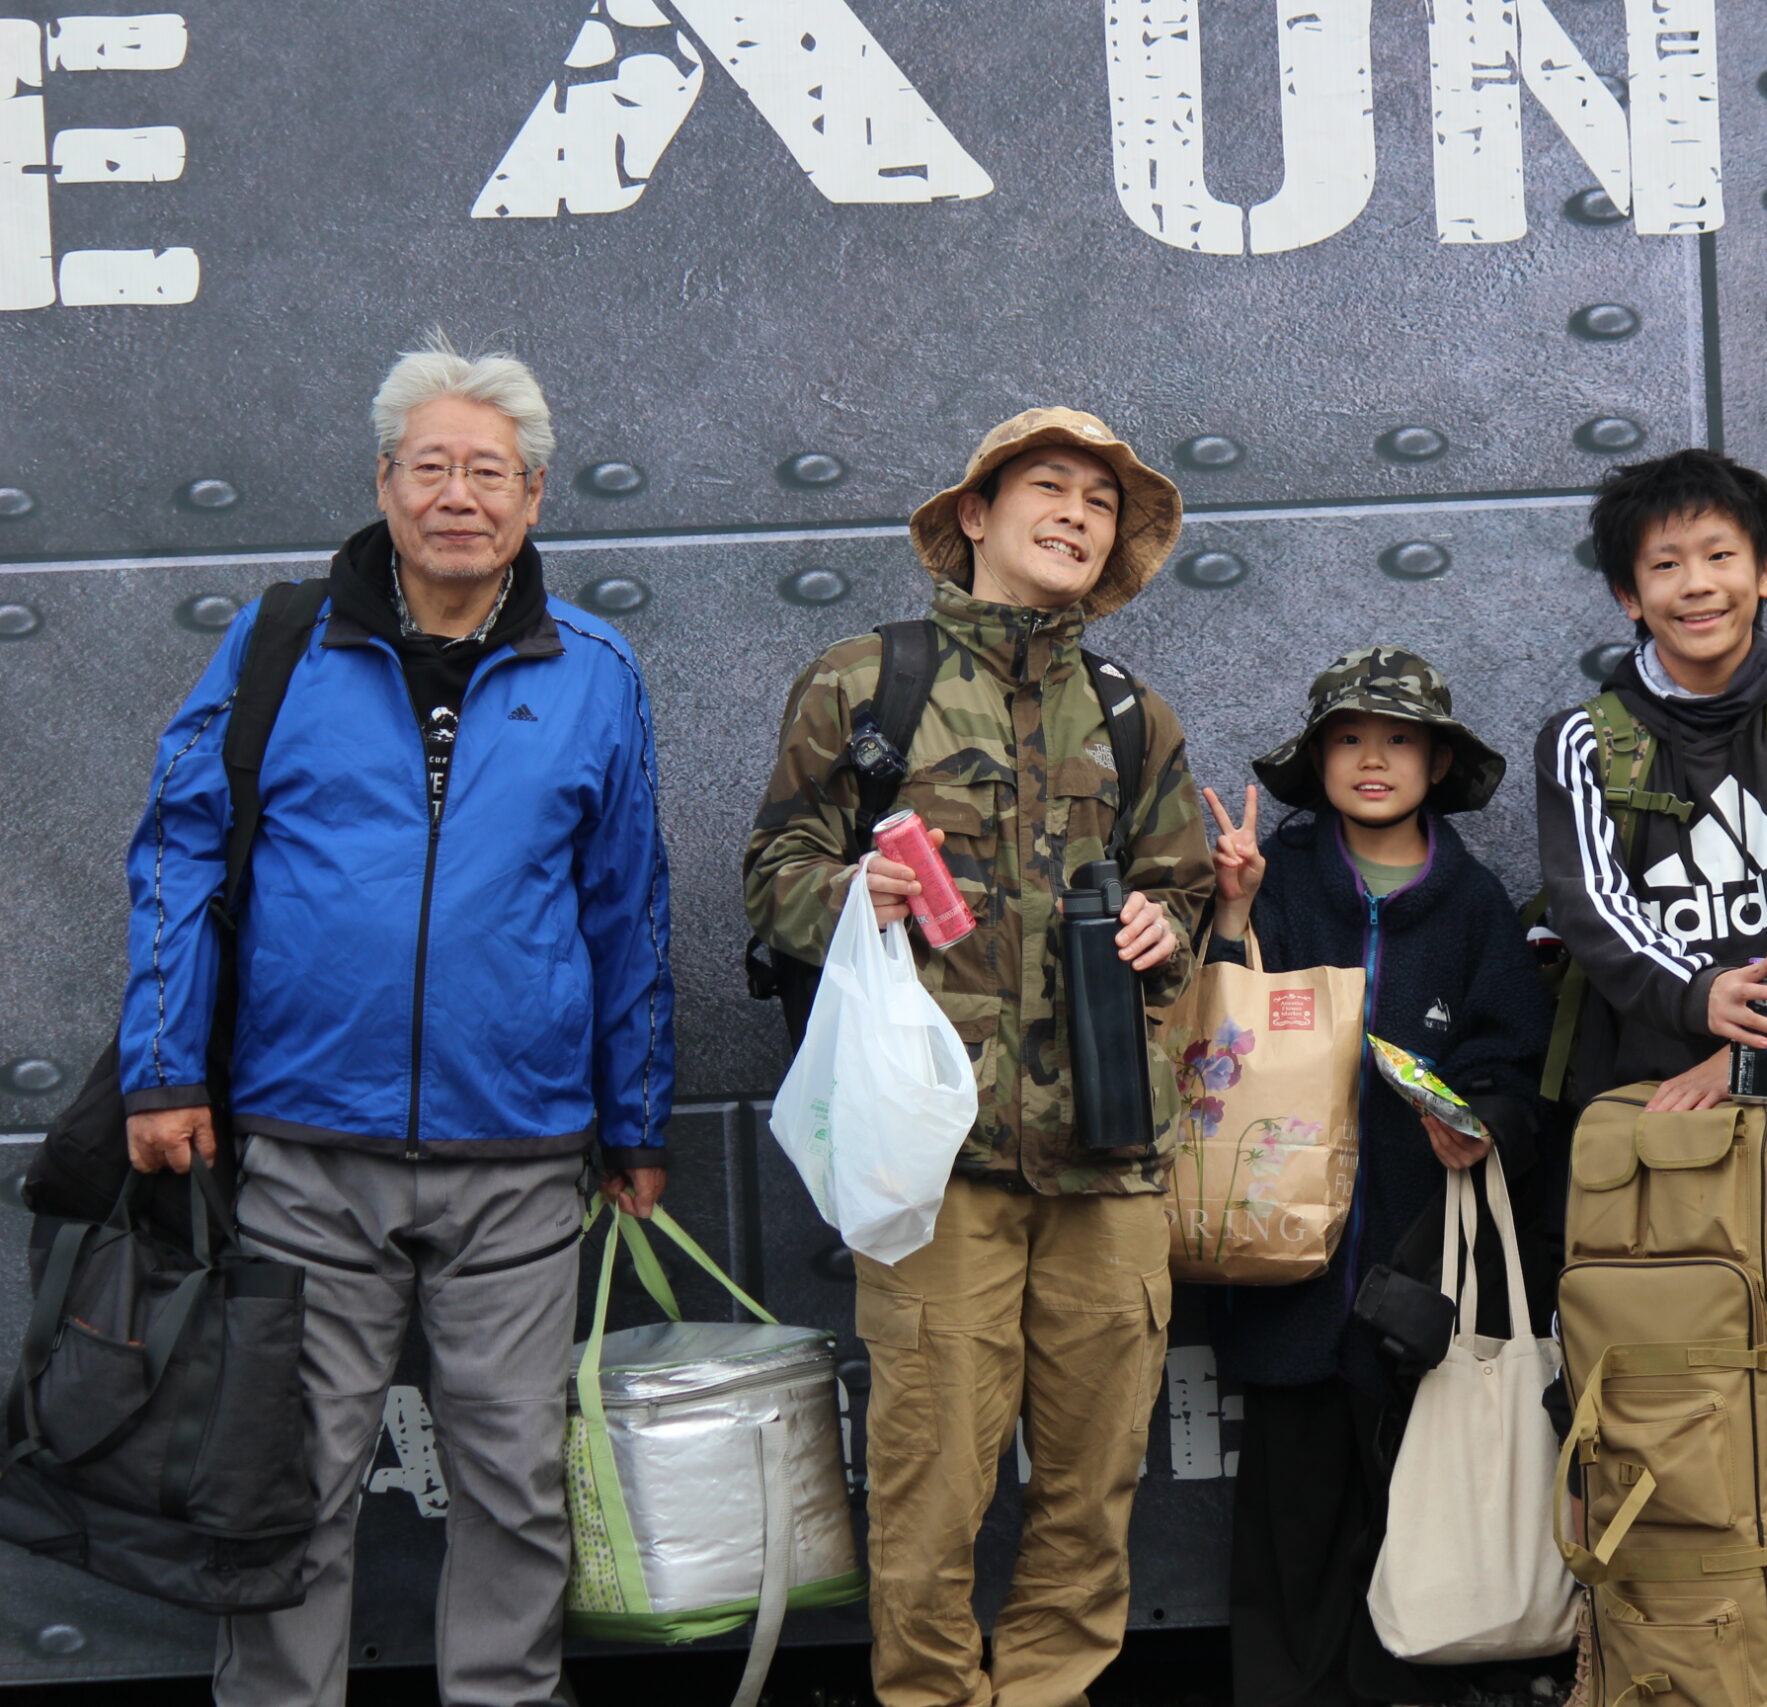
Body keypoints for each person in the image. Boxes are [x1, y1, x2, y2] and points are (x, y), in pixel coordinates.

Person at [119, 335, 675, 1707]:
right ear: (383, 483)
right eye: (429, 467)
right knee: (288, 1487)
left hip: (519, 1154)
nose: (456, 496)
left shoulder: (593, 669)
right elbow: (179, 850)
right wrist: (163, 1068)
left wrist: (635, 1120)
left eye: (489, 471)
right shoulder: (277, 643)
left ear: (533, 498)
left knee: (516, 1488)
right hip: (308, 1144)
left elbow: (627, 907)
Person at [743, 408, 1215, 1707]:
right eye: (1047, 487)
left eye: (1100, 502)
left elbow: (1184, 894)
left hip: (1107, 1157)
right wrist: (851, 895)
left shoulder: (1129, 714)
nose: (1076, 514)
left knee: (1093, 1486)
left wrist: (1164, 925)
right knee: (930, 1484)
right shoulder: (868, 682)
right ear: (975, 515)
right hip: (932, 1158)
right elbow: (774, 872)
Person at [1198, 646, 1551, 1707]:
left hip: (1417, 1271)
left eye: (1399, 739)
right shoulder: (1278, 879)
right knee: (1291, 1526)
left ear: (1438, 763)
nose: (1372, 758)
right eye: (1348, 737)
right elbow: (1207, 1040)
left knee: (1417, 1514)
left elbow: (1515, 1068)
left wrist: (1481, 1124)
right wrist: (1230, 914)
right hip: (1283, 1271)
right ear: (1317, 761)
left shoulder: (1474, 904)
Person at [1532, 447, 1767, 1280]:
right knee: (1668, 1333)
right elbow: (1591, 906)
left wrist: (1747, 1054)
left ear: (1766, 571)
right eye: (1665, 565)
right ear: (1629, 595)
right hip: (1648, 1107)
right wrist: (1699, 993)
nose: (1697, 585)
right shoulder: (1580, 743)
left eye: (1720, 555)